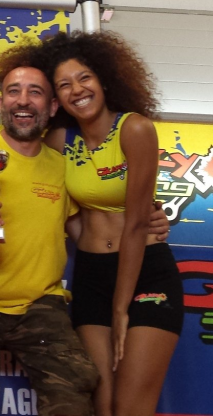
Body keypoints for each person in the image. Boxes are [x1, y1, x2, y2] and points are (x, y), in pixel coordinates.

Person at [0, 45, 100, 416]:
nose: (23, 100)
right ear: (0, 103)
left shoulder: (62, 167)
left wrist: (143, 223)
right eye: (13, 91)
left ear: (52, 107)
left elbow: (89, 233)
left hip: (41, 308)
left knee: (76, 392)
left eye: (35, 92)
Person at [39, 31, 181, 416]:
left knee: (130, 407)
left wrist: (121, 309)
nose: (77, 89)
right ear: (56, 98)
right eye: (64, 85)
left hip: (145, 273)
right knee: (102, 407)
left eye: (84, 77)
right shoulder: (59, 141)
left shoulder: (134, 129)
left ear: (103, 79)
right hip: (91, 276)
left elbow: (136, 224)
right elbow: (57, 202)